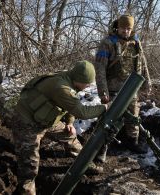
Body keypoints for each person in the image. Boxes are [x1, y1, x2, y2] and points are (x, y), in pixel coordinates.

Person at [9, 61, 108, 195]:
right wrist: (105, 108)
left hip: (46, 119)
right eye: (87, 83)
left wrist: (69, 123)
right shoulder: (61, 86)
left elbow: (70, 106)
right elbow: (82, 112)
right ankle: (26, 190)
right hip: (26, 122)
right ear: (78, 79)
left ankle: (85, 164)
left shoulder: (70, 81)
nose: (88, 86)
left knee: (70, 136)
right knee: (29, 165)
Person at [94, 14, 152, 161]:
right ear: (117, 27)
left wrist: (147, 82)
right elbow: (99, 69)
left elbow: (142, 63)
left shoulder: (136, 42)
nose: (125, 31)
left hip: (131, 88)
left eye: (128, 28)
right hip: (113, 89)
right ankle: (100, 149)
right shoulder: (107, 43)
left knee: (133, 117)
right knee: (108, 120)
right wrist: (103, 92)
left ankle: (132, 142)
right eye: (123, 28)